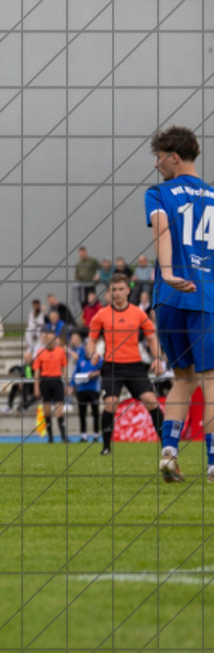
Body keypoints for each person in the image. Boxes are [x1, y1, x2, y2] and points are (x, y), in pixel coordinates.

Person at [146, 126, 214, 483]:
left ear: (174, 157)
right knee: (211, 379)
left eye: (159, 158)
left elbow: (161, 231)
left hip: (170, 297)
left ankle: (169, 454)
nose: (157, 165)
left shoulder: (158, 194)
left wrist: (169, 272)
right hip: (204, 296)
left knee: (183, 380)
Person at [86, 273, 164, 457]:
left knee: (151, 401)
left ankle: (166, 446)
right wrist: (92, 353)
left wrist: (158, 358)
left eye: (121, 289)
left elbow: (152, 338)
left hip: (135, 366)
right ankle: (106, 447)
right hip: (112, 366)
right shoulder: (101, 315)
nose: (118, 293)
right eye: (114, 289)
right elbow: (91, 340)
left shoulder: (138, 313)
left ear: (128, 290)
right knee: (111, 403)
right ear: (109, 292)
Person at [33, 331, 68, 443]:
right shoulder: (40, 352)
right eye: (48, 339)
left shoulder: (61, 351)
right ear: (45, 340)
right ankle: (51, 437)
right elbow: (37, 371)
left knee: (60, 410)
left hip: (57, 381)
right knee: (47, 411)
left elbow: (64, 368)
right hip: (45, 381)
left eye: (52, 339)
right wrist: (36, 387)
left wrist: (67, 384)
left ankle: (63, 436)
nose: (50, 341)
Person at [69, 332, 102, 443]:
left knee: (95, 413)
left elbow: (104, 370)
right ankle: (83, 436)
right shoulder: (80, 361)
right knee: (82, 413)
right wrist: (71, 386)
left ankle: (96, 435)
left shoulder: (99, 360)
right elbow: (75, 374)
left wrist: (95, 373)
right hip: (82, 390)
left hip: (93, 390)